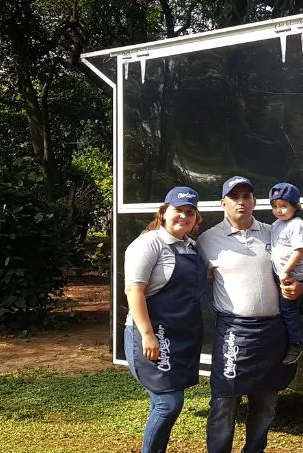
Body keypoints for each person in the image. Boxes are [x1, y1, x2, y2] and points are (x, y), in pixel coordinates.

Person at [197, 176, 303, 453]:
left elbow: (297, 272)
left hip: (272, 331)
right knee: (224, 402)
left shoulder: (274, 232)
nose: (241, 202)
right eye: (234, 197)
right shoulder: (207, 240)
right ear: (223, 203)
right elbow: (195, 283)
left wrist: (299, 287)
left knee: (266, 403)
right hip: (233, 331)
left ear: (255, 201)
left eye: (246, 196)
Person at [123, 186, 207, 453]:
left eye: (190, 212)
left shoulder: (191, 247)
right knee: (168, 403)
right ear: (163, 213)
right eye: (178, 210)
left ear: (196, 218)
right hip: (152, 335)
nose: (184, 216)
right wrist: (148, 335)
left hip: (180, 336)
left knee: (164, 402)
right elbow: (133, 290)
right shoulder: (149, 243)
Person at [268, 182, 303, 364]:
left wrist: (286, 272)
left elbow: (299, 251)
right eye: (275, 206)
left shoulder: (297, 225)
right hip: (280, 273)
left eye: (284, 206)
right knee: (279, 309)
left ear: (295, 206)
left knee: (288, 309)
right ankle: (283, 342)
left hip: (291, 275)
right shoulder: (277, 224)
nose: (279, 210)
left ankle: (297, 342)